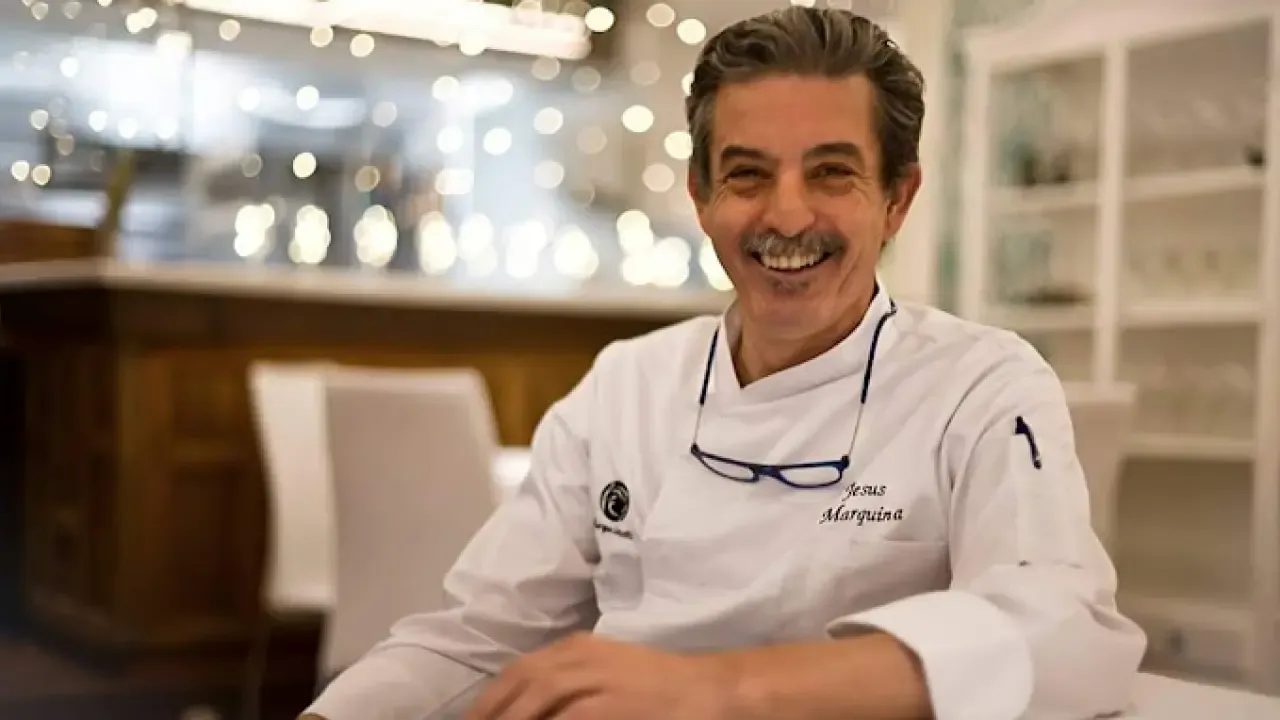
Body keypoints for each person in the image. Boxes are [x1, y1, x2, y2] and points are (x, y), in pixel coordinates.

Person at [302, 7, 1146, 720]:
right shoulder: (627, 384)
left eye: (832, 173)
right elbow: (478, 637)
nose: (787, 215)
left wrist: (713, 688)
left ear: (897, 199)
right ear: (701, 197)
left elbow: (1063, 633)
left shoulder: (982, 384)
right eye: (747, 175)